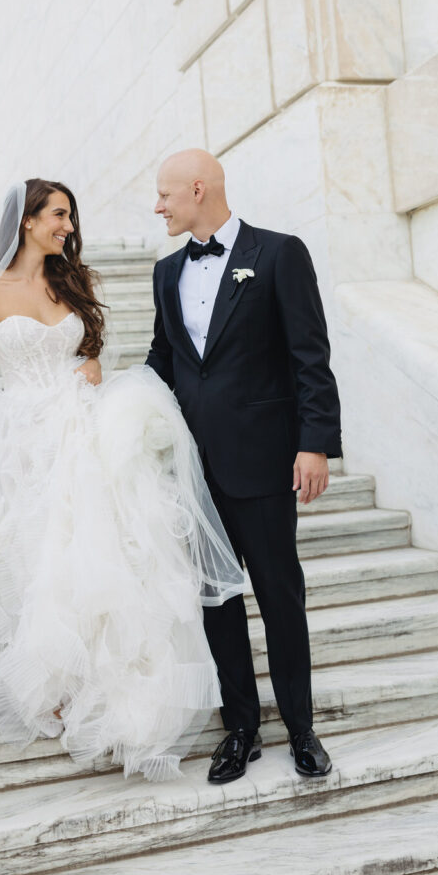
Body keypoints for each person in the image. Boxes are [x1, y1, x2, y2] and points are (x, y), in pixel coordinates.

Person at [0, 177, 246, 782]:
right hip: (26, 444)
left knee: (103, 558)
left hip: (84, 431)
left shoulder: (68, 284)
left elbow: (90, 356)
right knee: (40, 562)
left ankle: (115, 695)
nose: (68, 227)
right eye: (58, 215)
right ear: (26, 221)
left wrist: (91, 370)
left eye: (70, 218)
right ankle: (60, 687)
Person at [147, 149, 343, 784]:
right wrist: (109, 405)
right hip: (194, 470)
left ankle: (302, 729)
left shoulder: (280, 254)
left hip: (263, 461)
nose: (159, 207)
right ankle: (241, 729)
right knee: (217, 603)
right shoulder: (164, 272)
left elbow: (310, 355)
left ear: (197, 189)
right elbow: (164, 360)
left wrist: (313, 444)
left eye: (166, 195)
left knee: (280, 597)